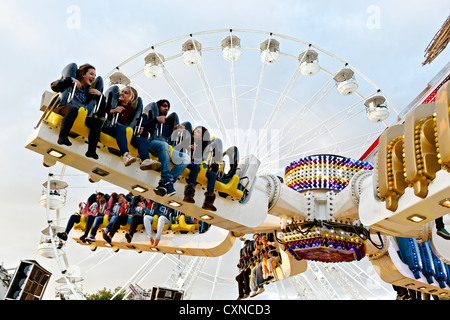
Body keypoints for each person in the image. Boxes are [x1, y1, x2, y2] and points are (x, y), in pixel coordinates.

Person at [88, 85, 161, 169]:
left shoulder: (131, 111)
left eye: (125, 93)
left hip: (123, 133)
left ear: (131, 99)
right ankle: (126, 155)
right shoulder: (112, 102)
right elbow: (100, 111)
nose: (122, 93)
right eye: (122, 91)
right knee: (122, 129)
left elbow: (133, 123)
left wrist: (140, 129)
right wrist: (113, 111)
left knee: (142, 140)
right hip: (109, 128)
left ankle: (145, 160)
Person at [50, 63, 105, 159]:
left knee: (97, 121)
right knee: (73, 110)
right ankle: (62, 137)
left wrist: (100, 96)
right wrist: (70, 80)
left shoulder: (90, 92)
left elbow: (101, 112)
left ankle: (91, 151)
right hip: (65, 107)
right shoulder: (71, 82)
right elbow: (53, 86)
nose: (93, 77)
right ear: (83, 74)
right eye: (91, 74)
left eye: (94, 75)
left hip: (82, 114)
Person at [140, 99, 190, 196]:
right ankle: (167, 179)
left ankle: (164, 183)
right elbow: (141, 126)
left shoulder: (169, 125)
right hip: (151, 143)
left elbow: (175, 143)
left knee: (186, 158)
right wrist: (155, 120)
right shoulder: (149, 116)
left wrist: (180, 132)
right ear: (158, 107)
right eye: (164, 106)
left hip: (167, 148)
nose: (166, 109)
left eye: (168, 107)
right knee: (164, 145)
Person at [183, 126, 218, 211]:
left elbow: (205, 163)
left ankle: (208, 203)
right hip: (187, 162)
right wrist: (188, 147)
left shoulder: (204, 149)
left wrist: (214, 164)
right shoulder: (188, 140)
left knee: (213, 175)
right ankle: (188, 195)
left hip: (200, 167)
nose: (195, 132)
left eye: (198, 132)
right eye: (195, 131)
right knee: (195, 167)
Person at [249, 233, 266, 297]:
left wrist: (262, 246)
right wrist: (257, 250)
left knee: (258, 268)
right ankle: (254, 289)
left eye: (257, 237)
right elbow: (254, 254)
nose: (257, 239)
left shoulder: (264, 240)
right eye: (256, 238)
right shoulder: (256, 245)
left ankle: (260, 287)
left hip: (266, 258)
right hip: (261, 261)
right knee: (253, 270)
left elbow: (266, 247)